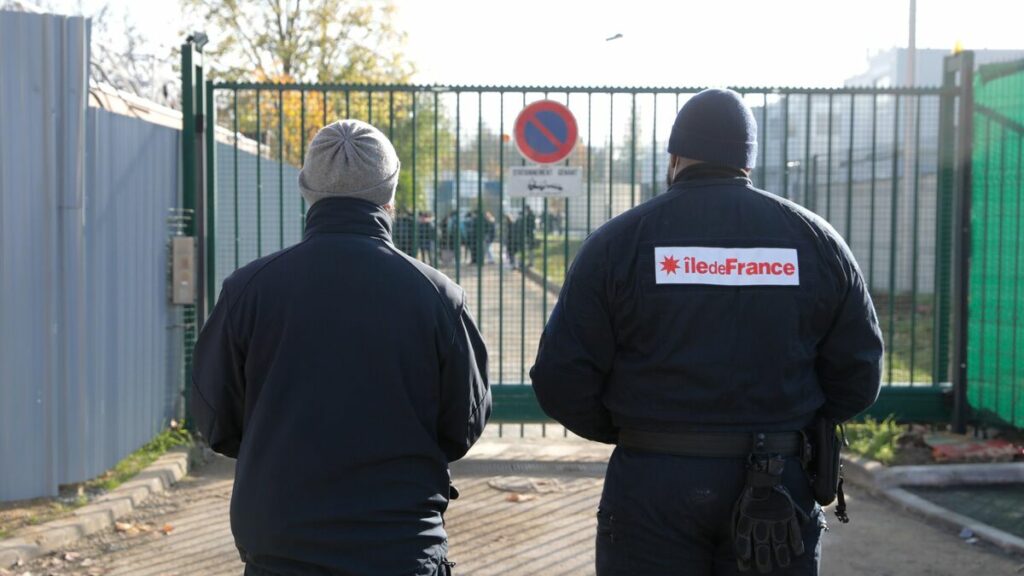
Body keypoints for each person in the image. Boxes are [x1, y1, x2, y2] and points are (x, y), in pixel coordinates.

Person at [530, 89, 883, 576]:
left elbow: (560, 378)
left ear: (674, 158)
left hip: (652, 484)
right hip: (778, 487)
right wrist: (787, 426)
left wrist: (637, 430)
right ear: (748, 163)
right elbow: (859, 375)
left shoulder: (617, 244)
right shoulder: (817, 242)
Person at [191, 119, 491, 576]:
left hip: (281, 542)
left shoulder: (248, 290)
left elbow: (215, 419)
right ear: (389, 194)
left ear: (306, 190)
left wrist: (274, 446)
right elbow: (462, 424)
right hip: (399, 544)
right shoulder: (436, 295)